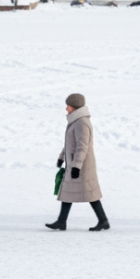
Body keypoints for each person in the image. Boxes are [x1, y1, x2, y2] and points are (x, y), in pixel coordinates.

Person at [46, 93, 109, 232]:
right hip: (74, 163)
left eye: (67, 105)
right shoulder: (75, 121)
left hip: (82, 166)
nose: (66, 108)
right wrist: (61, 157)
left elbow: (82, 146)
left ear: (74, 106)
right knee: (68, 192)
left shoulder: (82, 122)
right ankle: (61, 222)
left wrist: (76, 166)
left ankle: (103, 221)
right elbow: (70, 144)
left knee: (90, 193)